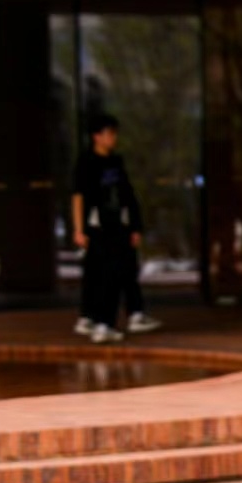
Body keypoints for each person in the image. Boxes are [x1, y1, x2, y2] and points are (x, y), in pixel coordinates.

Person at [70, 115, 160, 341]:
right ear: (97, 137)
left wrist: (134, 225)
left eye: (114, 133)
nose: (113, 138)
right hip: (99, 227)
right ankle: (99, 321)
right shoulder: (87, 163)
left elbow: (127, 195)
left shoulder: (116, 162)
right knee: (104, 273)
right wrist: (79, 229)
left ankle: (123, 315)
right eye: (109, 133)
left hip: (119, 225)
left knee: (124, 270)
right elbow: (78, 197)